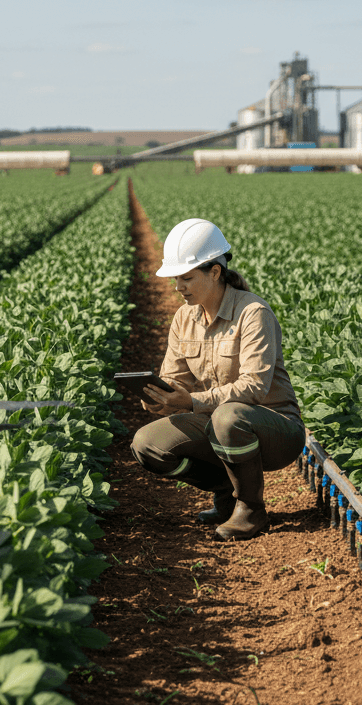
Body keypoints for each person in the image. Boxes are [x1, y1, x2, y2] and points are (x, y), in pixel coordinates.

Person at [130, 218, 305, 540]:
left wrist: (193, 401)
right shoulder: (185, 317)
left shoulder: (253, 312)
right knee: (147, 445)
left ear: (214, 272)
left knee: (228, 416)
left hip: (275, 431)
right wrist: (160, 396)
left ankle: (250, 508)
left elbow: (254, 386)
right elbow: (174, 376)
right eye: (175, 279)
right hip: (217, 425)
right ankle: (226, 485)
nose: (178, 287)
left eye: (186, 278)